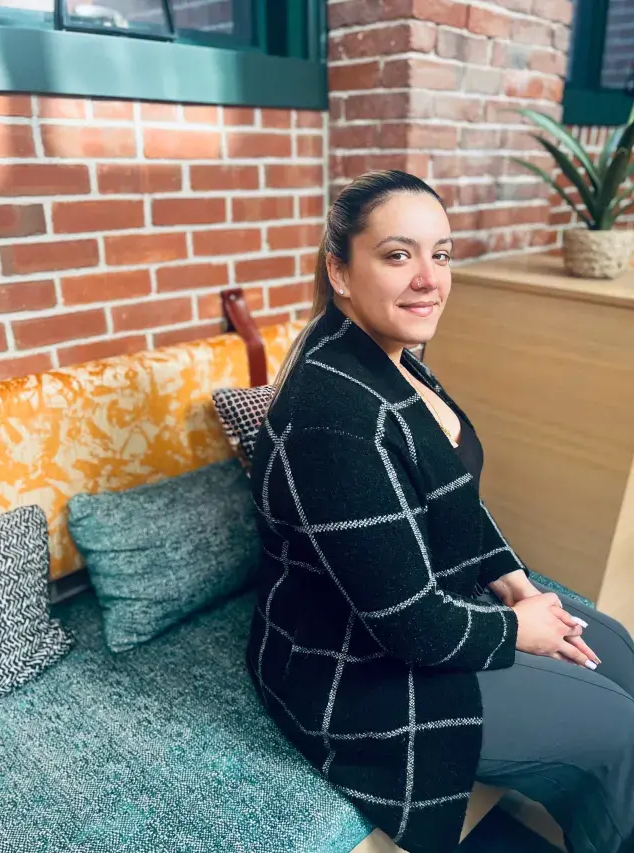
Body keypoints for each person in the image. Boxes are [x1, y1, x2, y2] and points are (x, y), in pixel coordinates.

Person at [246, 170, 634, 853]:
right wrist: (519, 628)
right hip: (356, 668)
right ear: (340, 271)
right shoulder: (333, 417)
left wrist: (515, 580)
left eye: (442, 253)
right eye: (398, 255)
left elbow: (454, 493)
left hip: (424, 608)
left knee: (619, 652)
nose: (430, 279)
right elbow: (413, 626)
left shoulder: (393, 356)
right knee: (620, 729)